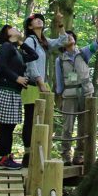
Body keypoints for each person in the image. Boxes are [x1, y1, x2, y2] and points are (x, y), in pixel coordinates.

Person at [20, 11, 68, 167]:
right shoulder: (29, 40)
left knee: (42, 120)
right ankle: (28, 154)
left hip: (42, 85)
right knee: (30, 119)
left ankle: (39, 152)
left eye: (41, 19)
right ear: (29, 25)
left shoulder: (43, 42)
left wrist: (60, 23)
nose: (39, 21)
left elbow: (63, 40)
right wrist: (40, 82)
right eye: (35, 20)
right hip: (33, 85)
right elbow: (30, 63)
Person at [53, 17, 98, 165]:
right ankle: (65, 155)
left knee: (84, 126)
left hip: (86, 94)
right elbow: (59, 82)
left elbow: (97, 44)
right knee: (67, 126)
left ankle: (79, 155)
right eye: (67, 37)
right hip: (69, 95)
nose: (70, 38)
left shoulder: (83, 53)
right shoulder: (60, 60)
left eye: (71, 35)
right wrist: (59, 97)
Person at [0, 24, 28, 170]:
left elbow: (34, 55)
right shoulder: (6, 46)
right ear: (7, 34)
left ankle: (6, 157)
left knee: (10, 126)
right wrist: (17, 78)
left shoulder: (16, 50)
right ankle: (4, 159)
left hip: (13, 91)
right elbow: (1, 66)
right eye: (12, 28)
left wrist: (21, 43)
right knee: (6, 127)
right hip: (6, 89)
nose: (16, 28)